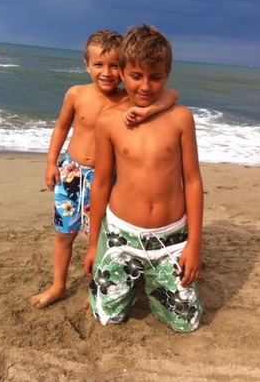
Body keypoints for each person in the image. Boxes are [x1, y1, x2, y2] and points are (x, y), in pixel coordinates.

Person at [31, 29, 178, 309]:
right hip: (71, 173)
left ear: (123, 68)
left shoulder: (127, 99)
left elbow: (171, 93)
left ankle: (96, 287)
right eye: (98, 64)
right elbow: (62, 126)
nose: (107, 72)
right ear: (86, 65)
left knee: (99, 237)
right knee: (64, 234)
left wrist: (146, 112)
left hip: (105, 178)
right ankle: (58, 285)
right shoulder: (76, 94)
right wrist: (51, 162)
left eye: (114, 66)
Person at [84, 23, 203, 332]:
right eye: (137, 76)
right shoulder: (109, 121)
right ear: (123, 73)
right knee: (107, 318)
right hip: (120, 236)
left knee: (186, 323)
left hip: (172, 239)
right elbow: (100, 183)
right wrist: (93, 243)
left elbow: (192, 181)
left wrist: (194, 245)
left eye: (156, 77)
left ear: (167, 75)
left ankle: (152, 282)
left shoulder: (180, 119)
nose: (146, 86)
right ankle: (127, 283)